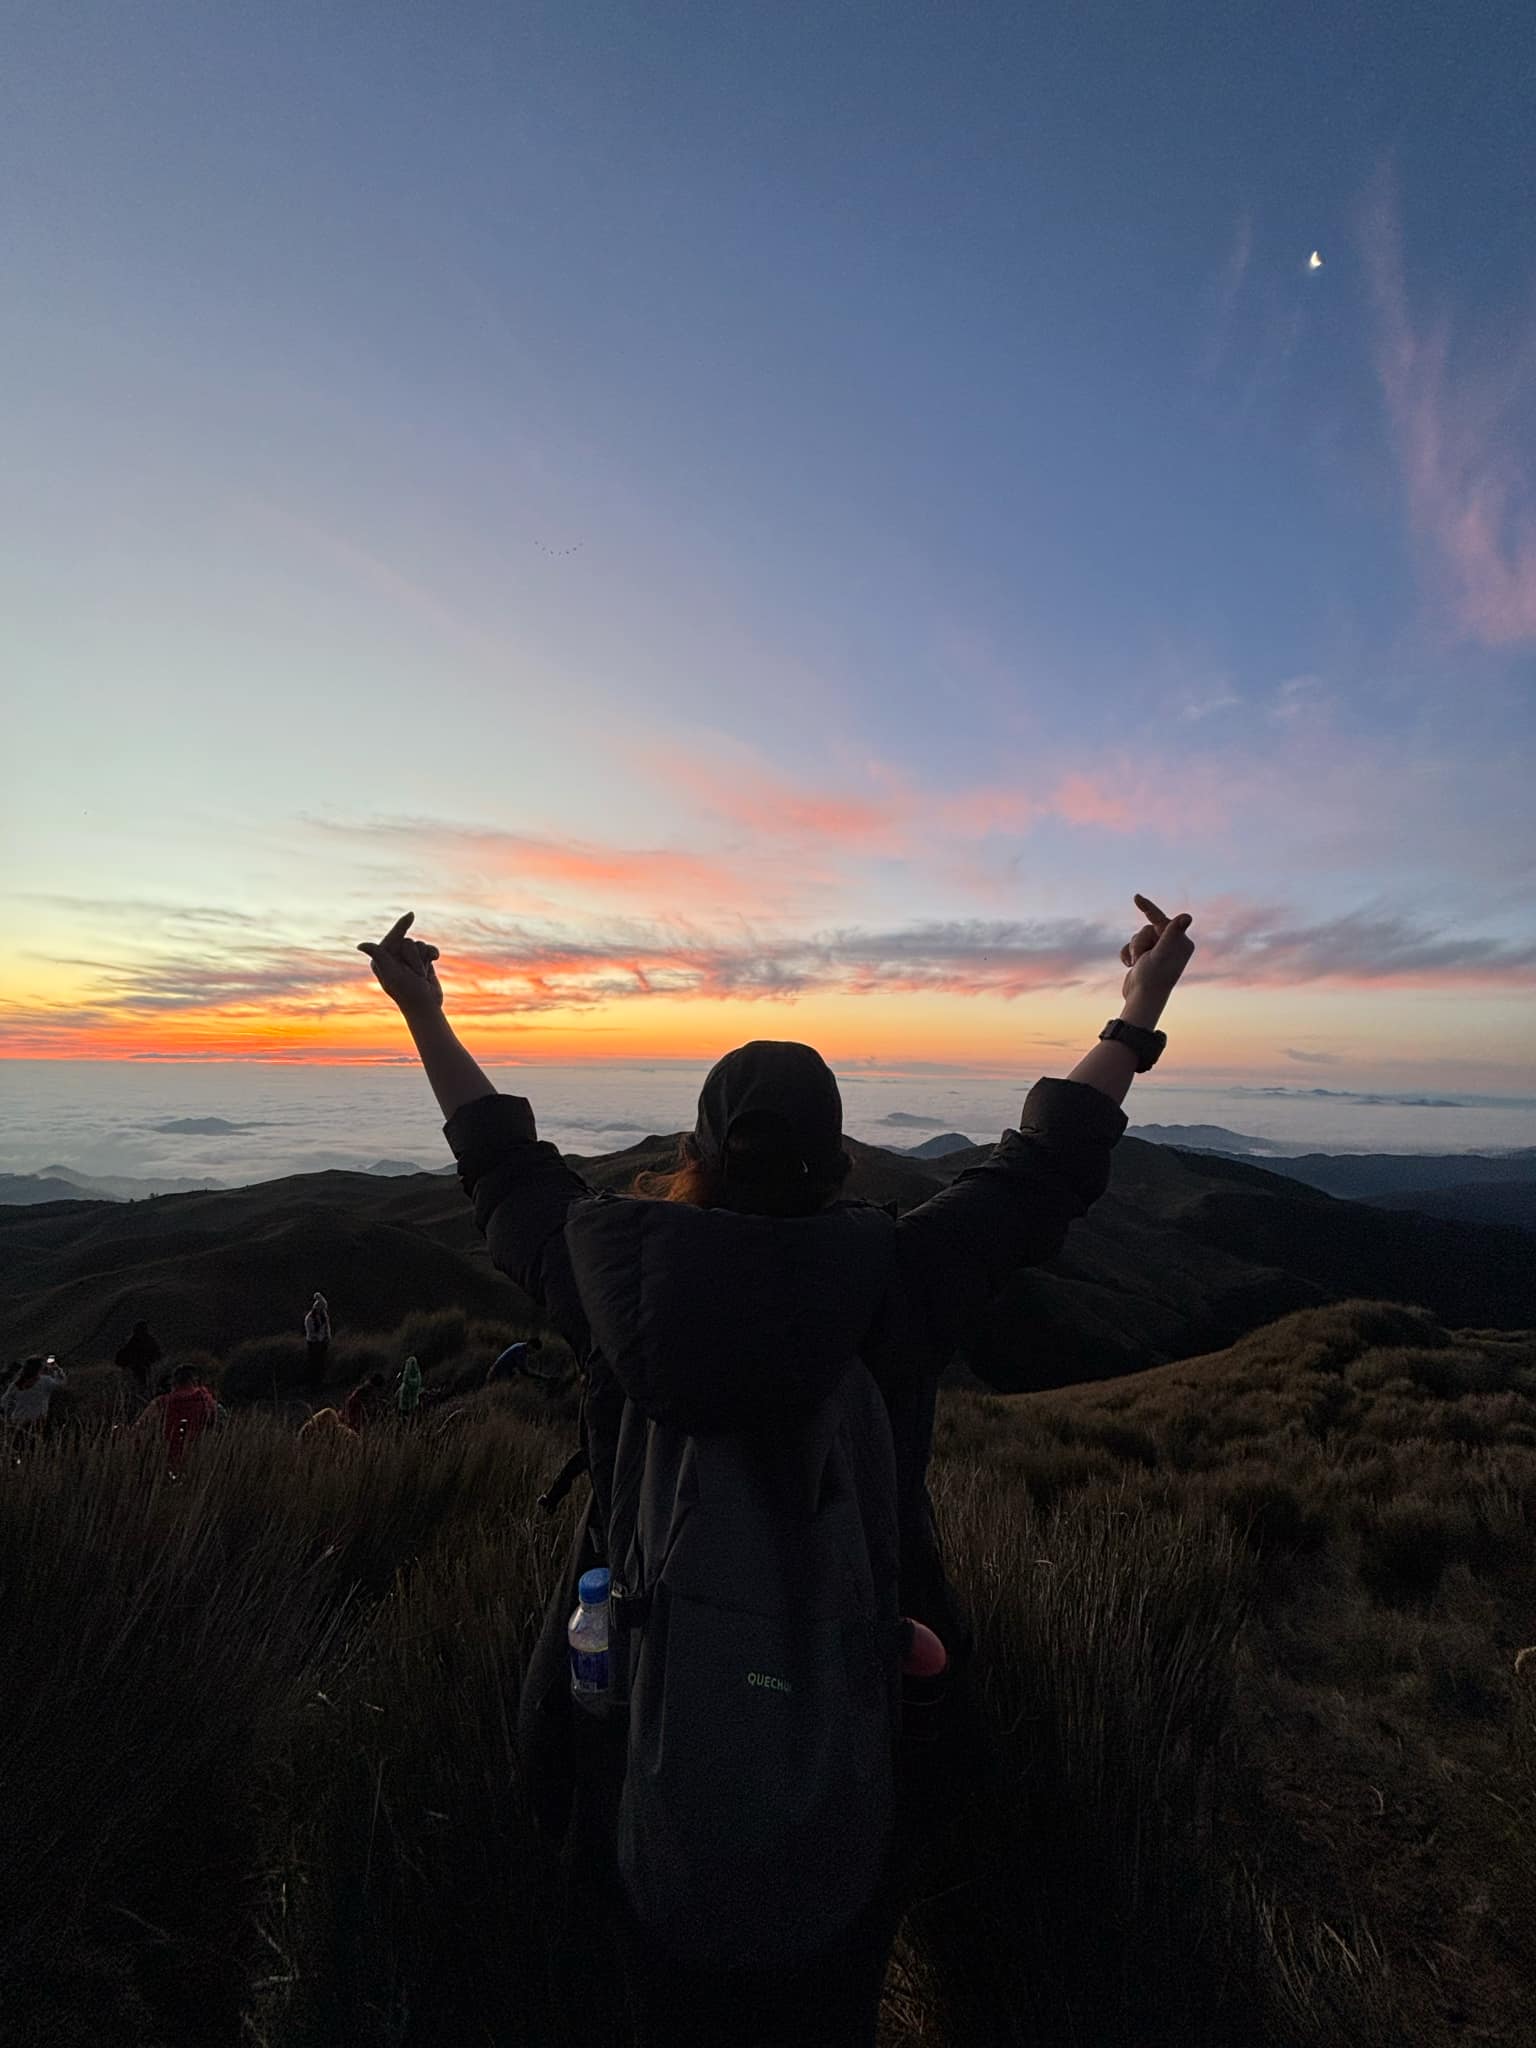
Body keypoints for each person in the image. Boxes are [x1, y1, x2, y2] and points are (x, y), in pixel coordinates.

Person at [360, 895, 1195, 2045]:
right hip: (862, 1716)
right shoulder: (901, 1277)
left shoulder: (604, 1271)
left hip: (629, 1720)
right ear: (836, 1159)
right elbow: (1045, 1167)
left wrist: (423, 1009)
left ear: (695, 1156)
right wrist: (1137, 1009)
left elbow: (501, 1166)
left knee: (647, 1984)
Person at [138, 1365, 218, 1475]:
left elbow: (140, 1428)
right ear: (195, 1381)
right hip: (198, 1465)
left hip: (165, 1464)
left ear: (174, 1383)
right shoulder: (207, 1402)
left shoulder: (160, 1403)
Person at [3, 1356, 67, 1450]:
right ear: (40, 1368)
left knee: (20, 1448)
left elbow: (4, 1401)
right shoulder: (45, 1381)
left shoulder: (17, 1384)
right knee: (36, 1448)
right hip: (37, 1421)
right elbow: (62, 1383)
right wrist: (57, 1369)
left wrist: (9, 1414)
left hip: (18, 1422)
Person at [114, 1319, 163, 1392]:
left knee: (142, 1383)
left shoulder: (137, 1340)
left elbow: (156, 1353)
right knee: (141, 1383)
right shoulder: (138, 1340)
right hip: (139, 1367)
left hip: (142, 1367)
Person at [303, 1293, 332, 1390]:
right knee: (314, 1363)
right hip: (313, 1343)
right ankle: (313, 1383)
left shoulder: (324, 1316)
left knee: (322, 1362)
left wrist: (327, 1337)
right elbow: (311, 1332)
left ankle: (321, 1381)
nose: (323, 1310)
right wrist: (319, 1339)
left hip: (323, 1342)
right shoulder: (309, 1318)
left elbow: (327, 1327)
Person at [396, 1353, 423, 1422]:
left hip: (411, 1400)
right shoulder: (410, 1373)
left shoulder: (415, 1374)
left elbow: (412, 1382)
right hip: (405, 1400)